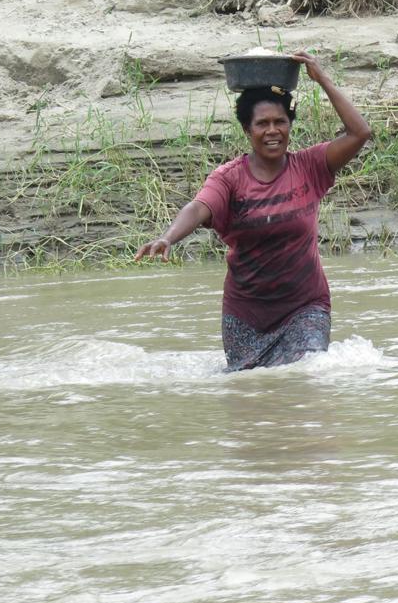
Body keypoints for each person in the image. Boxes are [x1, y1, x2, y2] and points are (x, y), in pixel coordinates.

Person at [135, 51, 372, 371]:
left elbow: (360, 133)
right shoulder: (229, 178)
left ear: (290, 125)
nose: (272, 130)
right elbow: (199, 207)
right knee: (250, 392)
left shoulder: (311, 166)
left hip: (306, 307)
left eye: (280, 122)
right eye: (262, 123)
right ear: (247, 130)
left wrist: (323, 80)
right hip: (246, 317)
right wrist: (168, 237)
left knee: (308, 374)